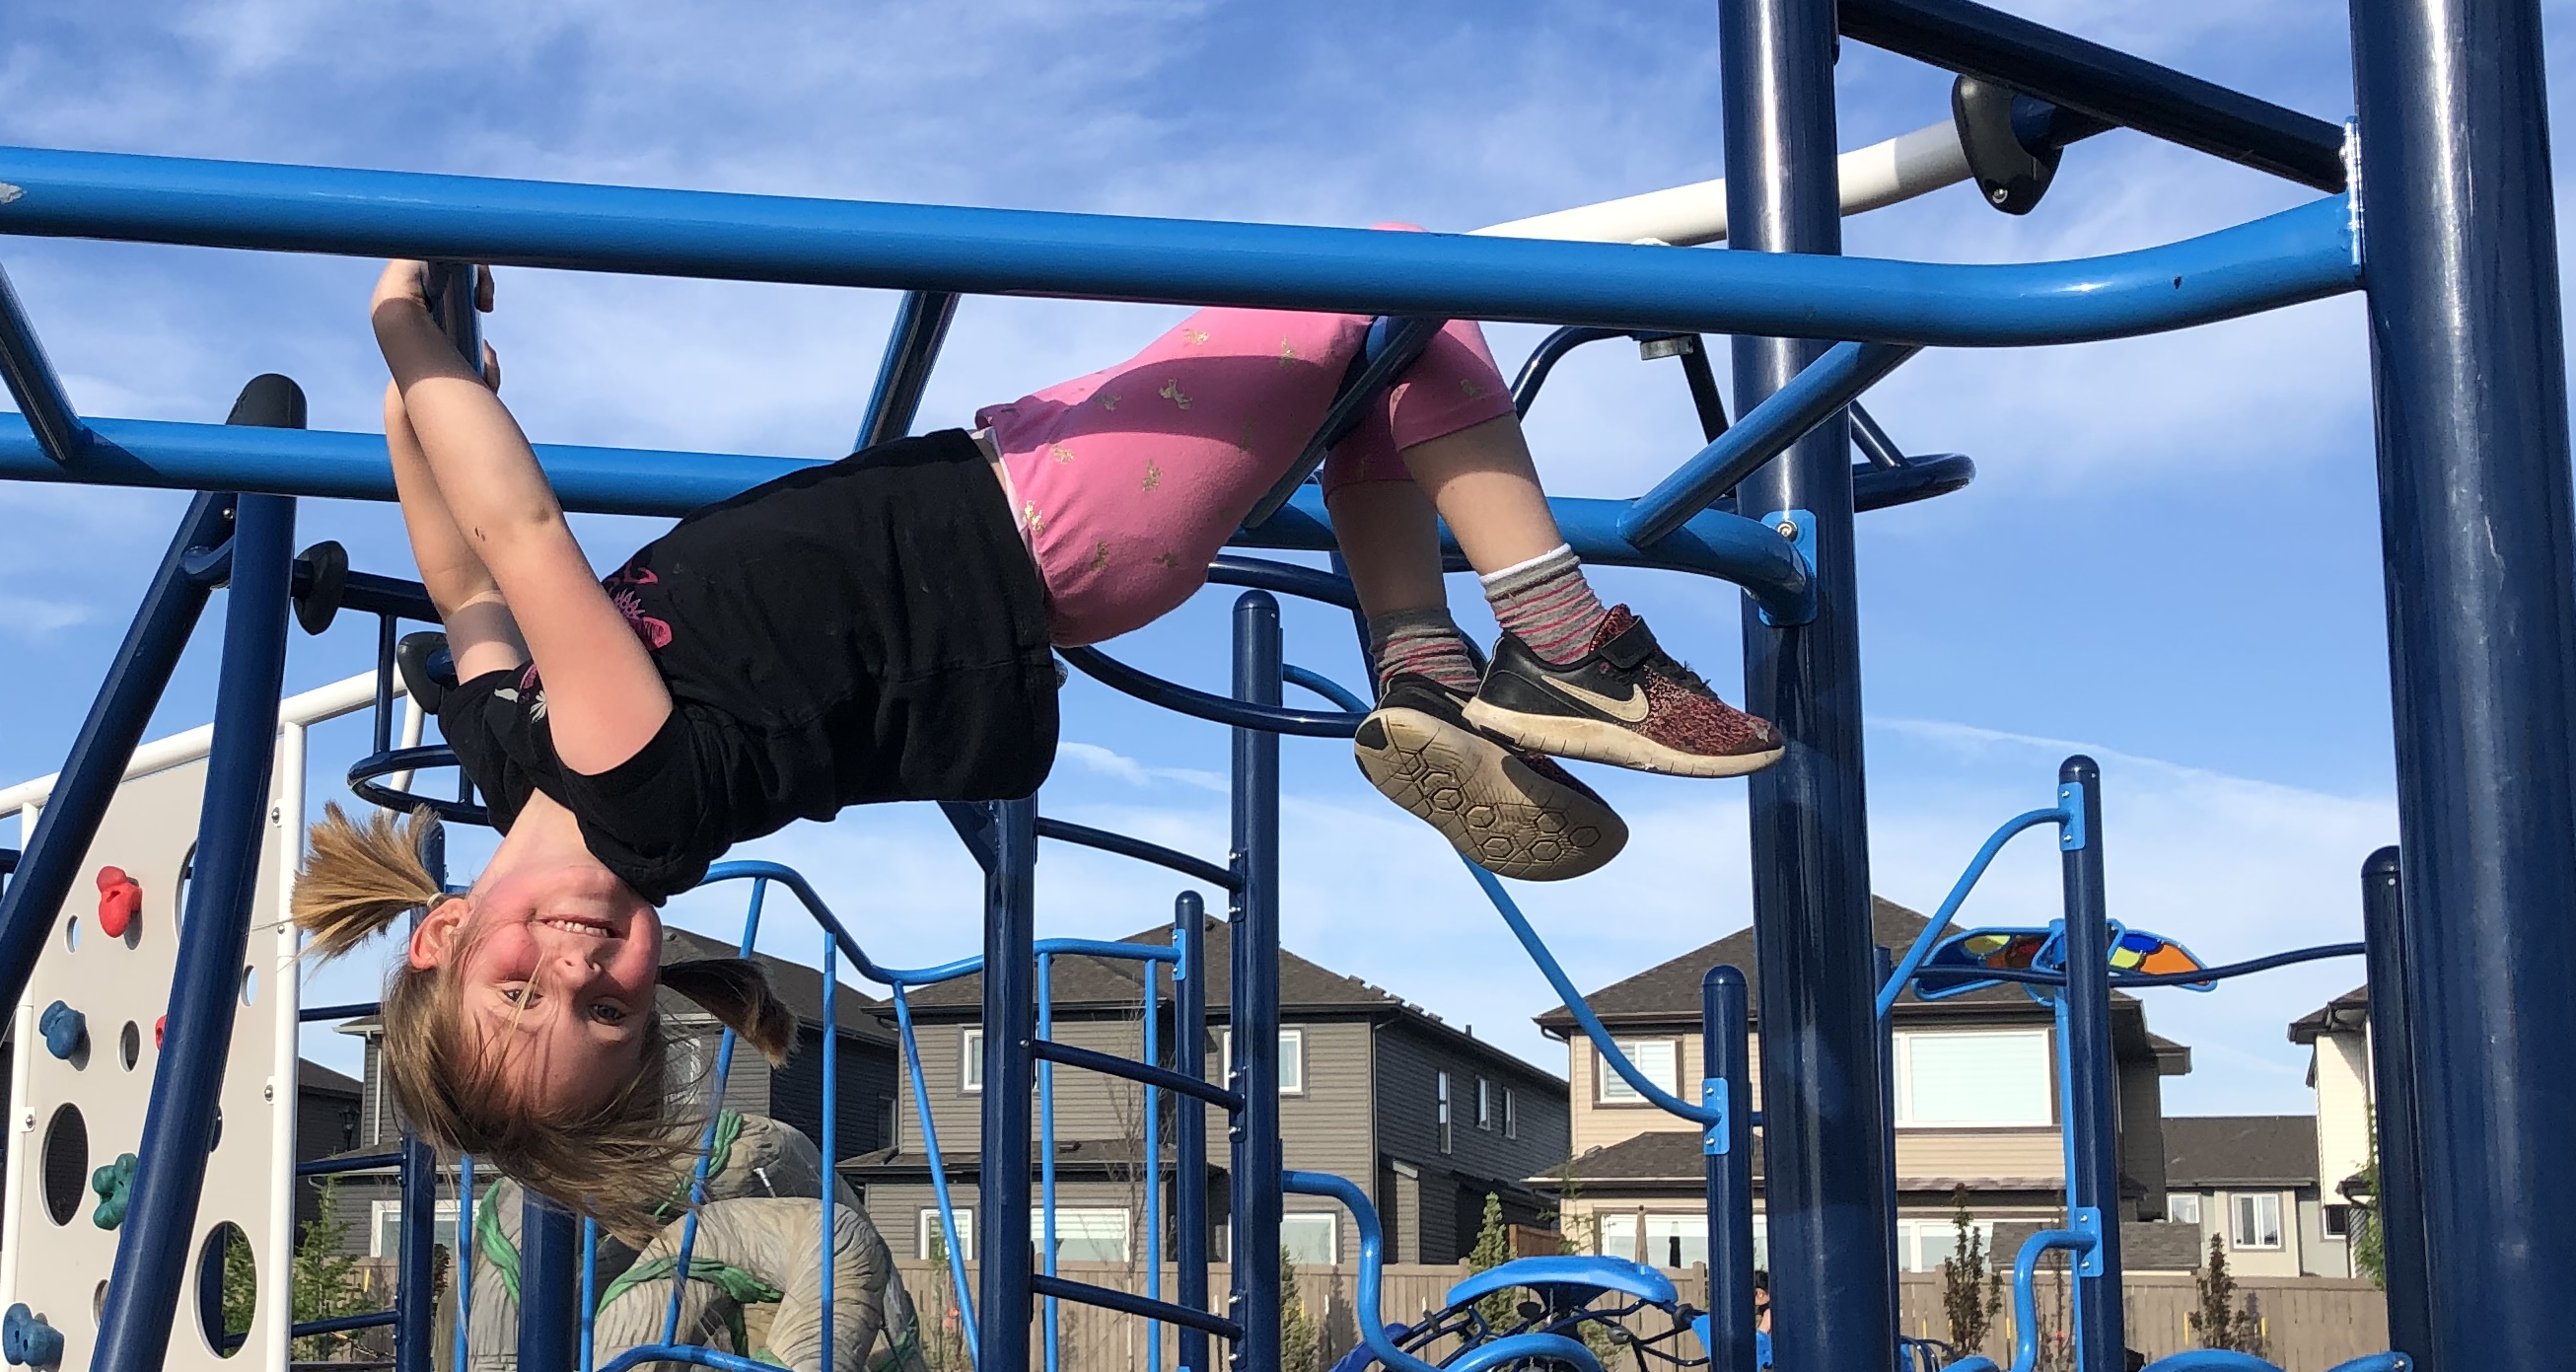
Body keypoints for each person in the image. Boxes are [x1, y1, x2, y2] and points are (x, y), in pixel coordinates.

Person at [295, 257, 1779, 1221]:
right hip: (1058, 522)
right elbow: (526, 524)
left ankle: (1431, 670)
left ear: (435, 934)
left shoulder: (512, 761)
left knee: (1375, 375)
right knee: (1387, 277)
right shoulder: (629, 783)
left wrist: (418, 405)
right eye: (607, 1014)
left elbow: (464, 579)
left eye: (522, 991)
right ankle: (1568, 641)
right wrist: (402, 322)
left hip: (1037, 502)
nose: (575, 970)